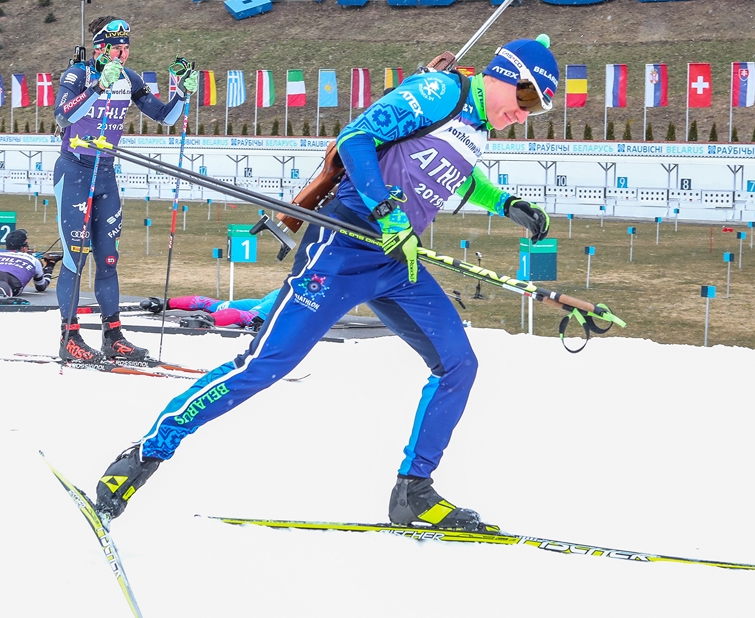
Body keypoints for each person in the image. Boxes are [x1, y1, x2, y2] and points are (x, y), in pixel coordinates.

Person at [95, 36, 558, 529]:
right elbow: (357, 139)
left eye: (539, 109)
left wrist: (507, 203)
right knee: (264, 365)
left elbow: (453, 176)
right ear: (505, 74)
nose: (525, 114)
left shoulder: (479, 127)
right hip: (342, 246)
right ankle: (146, 454)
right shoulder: (441, 93)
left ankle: (414, 491)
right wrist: (384, 207)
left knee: (458, 364)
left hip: (395, 260)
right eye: (527, 99)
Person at [53, 16, 197, 362]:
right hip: (75, 171)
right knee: (75, 257)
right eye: (116, 46)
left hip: (105, 173)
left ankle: (113, 335)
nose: (122, 53)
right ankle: (69, 338)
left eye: (126, 46)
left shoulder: (130, 79)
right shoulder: (78, 75)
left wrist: (181, 92)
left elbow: (166, 117)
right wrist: (98, 87)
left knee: (108, 258)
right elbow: (63, 116)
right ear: (100, 48)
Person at [140, 290, 278, 328]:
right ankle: (208, 319)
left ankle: (163, 303)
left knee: (213, 305)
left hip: (278, 294)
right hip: (280, 300)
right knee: (249, 317)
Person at [0, 229, 51, 297]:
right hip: (7, 282)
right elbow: (41, 286)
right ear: (24, 248)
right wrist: (50, 264)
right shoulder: (33, 260)